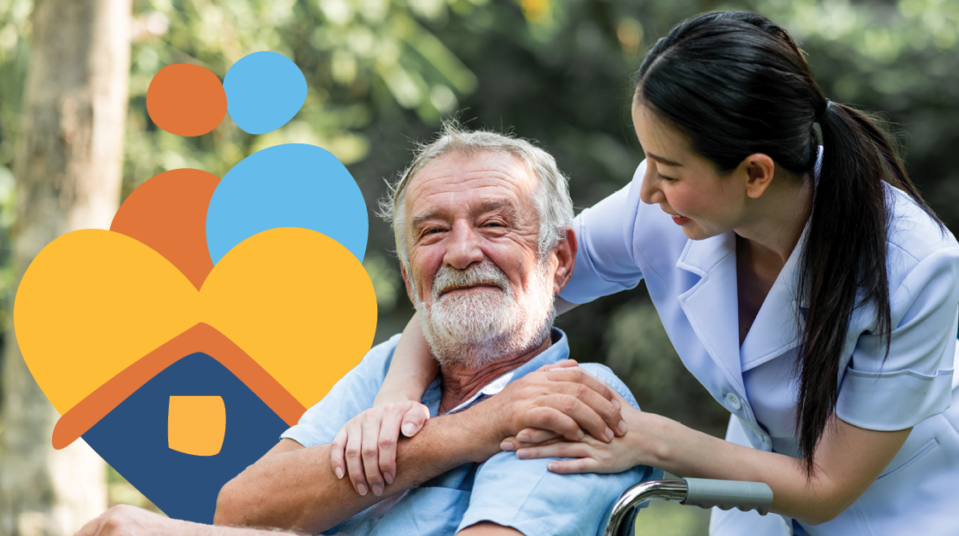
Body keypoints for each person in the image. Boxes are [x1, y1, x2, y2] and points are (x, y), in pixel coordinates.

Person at [343, 11, 959, 536]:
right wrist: (395, 402)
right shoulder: (660, 208)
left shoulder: (914, 269)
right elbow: (491, 286)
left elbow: (828, 486)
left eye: (667, 172)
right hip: (756, 493)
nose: (645, 193)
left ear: (755, 174)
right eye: (648, 164)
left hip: (915, 505)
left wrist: (646, 438)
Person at [77, 126, 650, 536]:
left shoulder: (576, 398)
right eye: (431, 233)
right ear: (409, 277)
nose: (460, 252)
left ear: (560, 260)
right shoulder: (390, 368)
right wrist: (480, 428)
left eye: (494, 224)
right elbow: (241, 506)